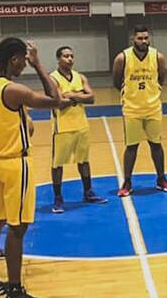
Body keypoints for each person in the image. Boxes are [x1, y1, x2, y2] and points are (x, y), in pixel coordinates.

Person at [0, 38, 72, 298]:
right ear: (13, 60)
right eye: (22, 60)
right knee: (17, 227)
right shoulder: (13, 90)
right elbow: (56, 99)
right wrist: (39, 65)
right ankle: (14, 288)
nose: (24, 64)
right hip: (15, 163)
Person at [111, 24, 167, 197]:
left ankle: (161, 179)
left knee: (156, 145)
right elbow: (116, 82)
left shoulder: (158, 57)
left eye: (146, 38)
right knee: (131, 146)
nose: (143, 41)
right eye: (140, 38)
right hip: (132, 109)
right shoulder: (122, 58)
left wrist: (152, 93)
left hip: (153, 108)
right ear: (133, 39)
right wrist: (129, 94)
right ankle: (127, 182)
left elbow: (161, 79)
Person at [49, 46, 107, 213]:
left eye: (71, 56)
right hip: (62, 127)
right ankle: (58, 198)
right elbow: (59, 102)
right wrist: (80, 95)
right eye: (66, 56)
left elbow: (92, 98)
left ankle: (88, 192)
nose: (70, 59)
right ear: (58, 59)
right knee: (57, 164)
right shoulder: (52, 79)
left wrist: (71, 95)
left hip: (81, 125)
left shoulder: (80, 77)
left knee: (84, 160)